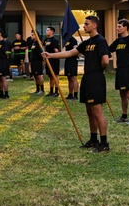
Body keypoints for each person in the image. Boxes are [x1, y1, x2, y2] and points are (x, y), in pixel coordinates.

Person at [45, 15, 111, 152]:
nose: (84, 26)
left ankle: (104, 143)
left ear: (94, 25)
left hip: (95, 78)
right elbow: (70, 53)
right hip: (87, 78)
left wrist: (97, 71)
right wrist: (50, 55)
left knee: (97, 111)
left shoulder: (100, 41)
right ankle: (94, 139)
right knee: (89, 111)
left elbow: (105, 60)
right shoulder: (87, 43)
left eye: (86, 24)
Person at [110, 19, 129, 125]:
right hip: (120, 69)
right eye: (117, 26)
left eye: (119, 26)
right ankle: (124, 116)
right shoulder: (118, 41)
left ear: (125, 27)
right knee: (122, 93)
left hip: (128, 70)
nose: (117, 28)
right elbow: (108, 49)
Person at [62, 27, 80, 100]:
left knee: (73, 77)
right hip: (67, 60)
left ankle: (75, 95)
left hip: (73, 60)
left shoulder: (73, 40)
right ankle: (70, 94)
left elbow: (76, 50)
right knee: (69, 78)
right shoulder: (66, 40)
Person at [0, 29, 12, 98]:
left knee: (3, 78)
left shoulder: (4, 42)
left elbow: (7, 52)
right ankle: (1, 93)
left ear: (0, 34)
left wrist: (7, 57)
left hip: (3, 61)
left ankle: (6, 94)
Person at [43, 27, 61, 97]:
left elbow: (56, 51)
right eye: (46, 30)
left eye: (47, 30)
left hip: (54, 60)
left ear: (52, 32)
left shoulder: (54, 40)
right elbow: (44, 48)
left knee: (55, 75)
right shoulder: (46, 40)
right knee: (50, 76)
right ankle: (51, 91)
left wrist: (54, 56)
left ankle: (56, 91)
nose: (46, 31)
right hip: (48, 60)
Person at [27, 30, 45, 94]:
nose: (31, 36)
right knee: (35, 75)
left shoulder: (38, 43)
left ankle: (42, 89)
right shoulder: (33, 43)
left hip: (38, 61)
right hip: (33, 61)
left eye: (32, 35)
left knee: (39, 75)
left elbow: (41, 52)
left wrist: (43, 60)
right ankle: (37, 89)